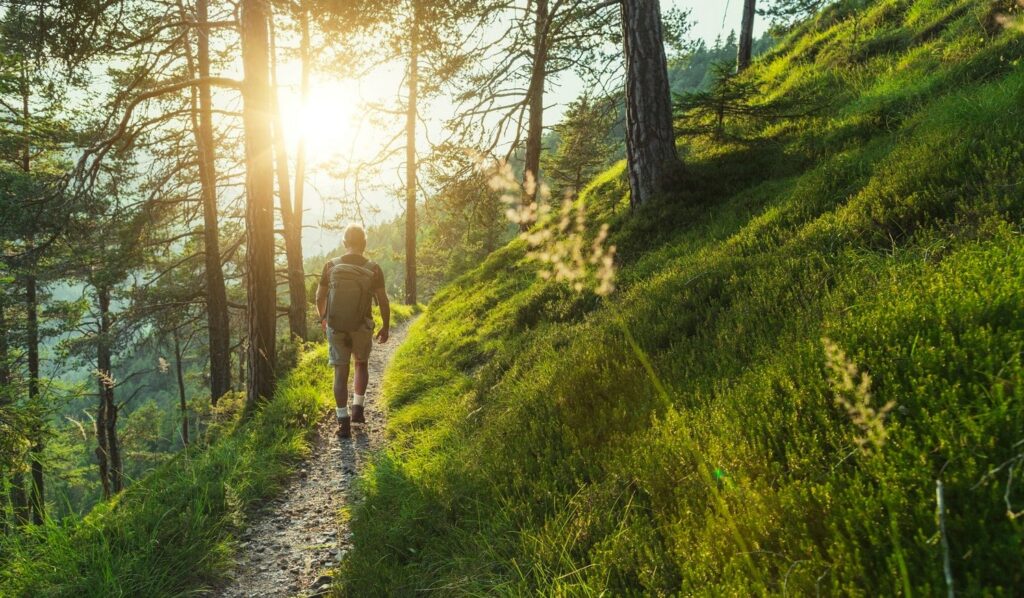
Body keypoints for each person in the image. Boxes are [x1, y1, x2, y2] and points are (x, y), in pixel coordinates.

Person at [315, 224, 390, 438]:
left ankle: (343, 422)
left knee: (340, 372)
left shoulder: (330, 265)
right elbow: (383, 301)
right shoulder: (374, 268)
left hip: (336, 325)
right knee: (361, 363)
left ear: (344, 243)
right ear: (364, 244)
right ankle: (358, 408)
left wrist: (324, 318)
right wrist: (385, 325)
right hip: (362, 325)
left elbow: (319, 297)